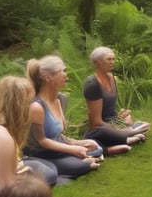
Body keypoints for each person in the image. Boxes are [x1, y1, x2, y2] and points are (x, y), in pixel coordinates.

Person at [24, 55, 104, 184]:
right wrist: (73, 149)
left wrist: (78, 143)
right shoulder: (36, 107)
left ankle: (70, 166)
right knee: (82, 164)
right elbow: (42, 141)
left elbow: (59, 135)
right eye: (62, 71)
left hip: (60, 148)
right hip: (43, 153)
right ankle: (63, 168)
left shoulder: (60, 99)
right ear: (48, 77)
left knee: (95, 147)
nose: (66, 75)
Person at [83, 46, 150, 155]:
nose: (112, 62)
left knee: (145, 125)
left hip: (115, 122)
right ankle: (126, 139)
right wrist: (116, 129)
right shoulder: (92, 84)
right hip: (101, 127)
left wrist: (123, 117)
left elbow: (111, 108)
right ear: (97, 63)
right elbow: (95, 122)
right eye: (109, 59)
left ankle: (126, 136)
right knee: (124, 131)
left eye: (113, 59)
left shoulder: (111, 78)